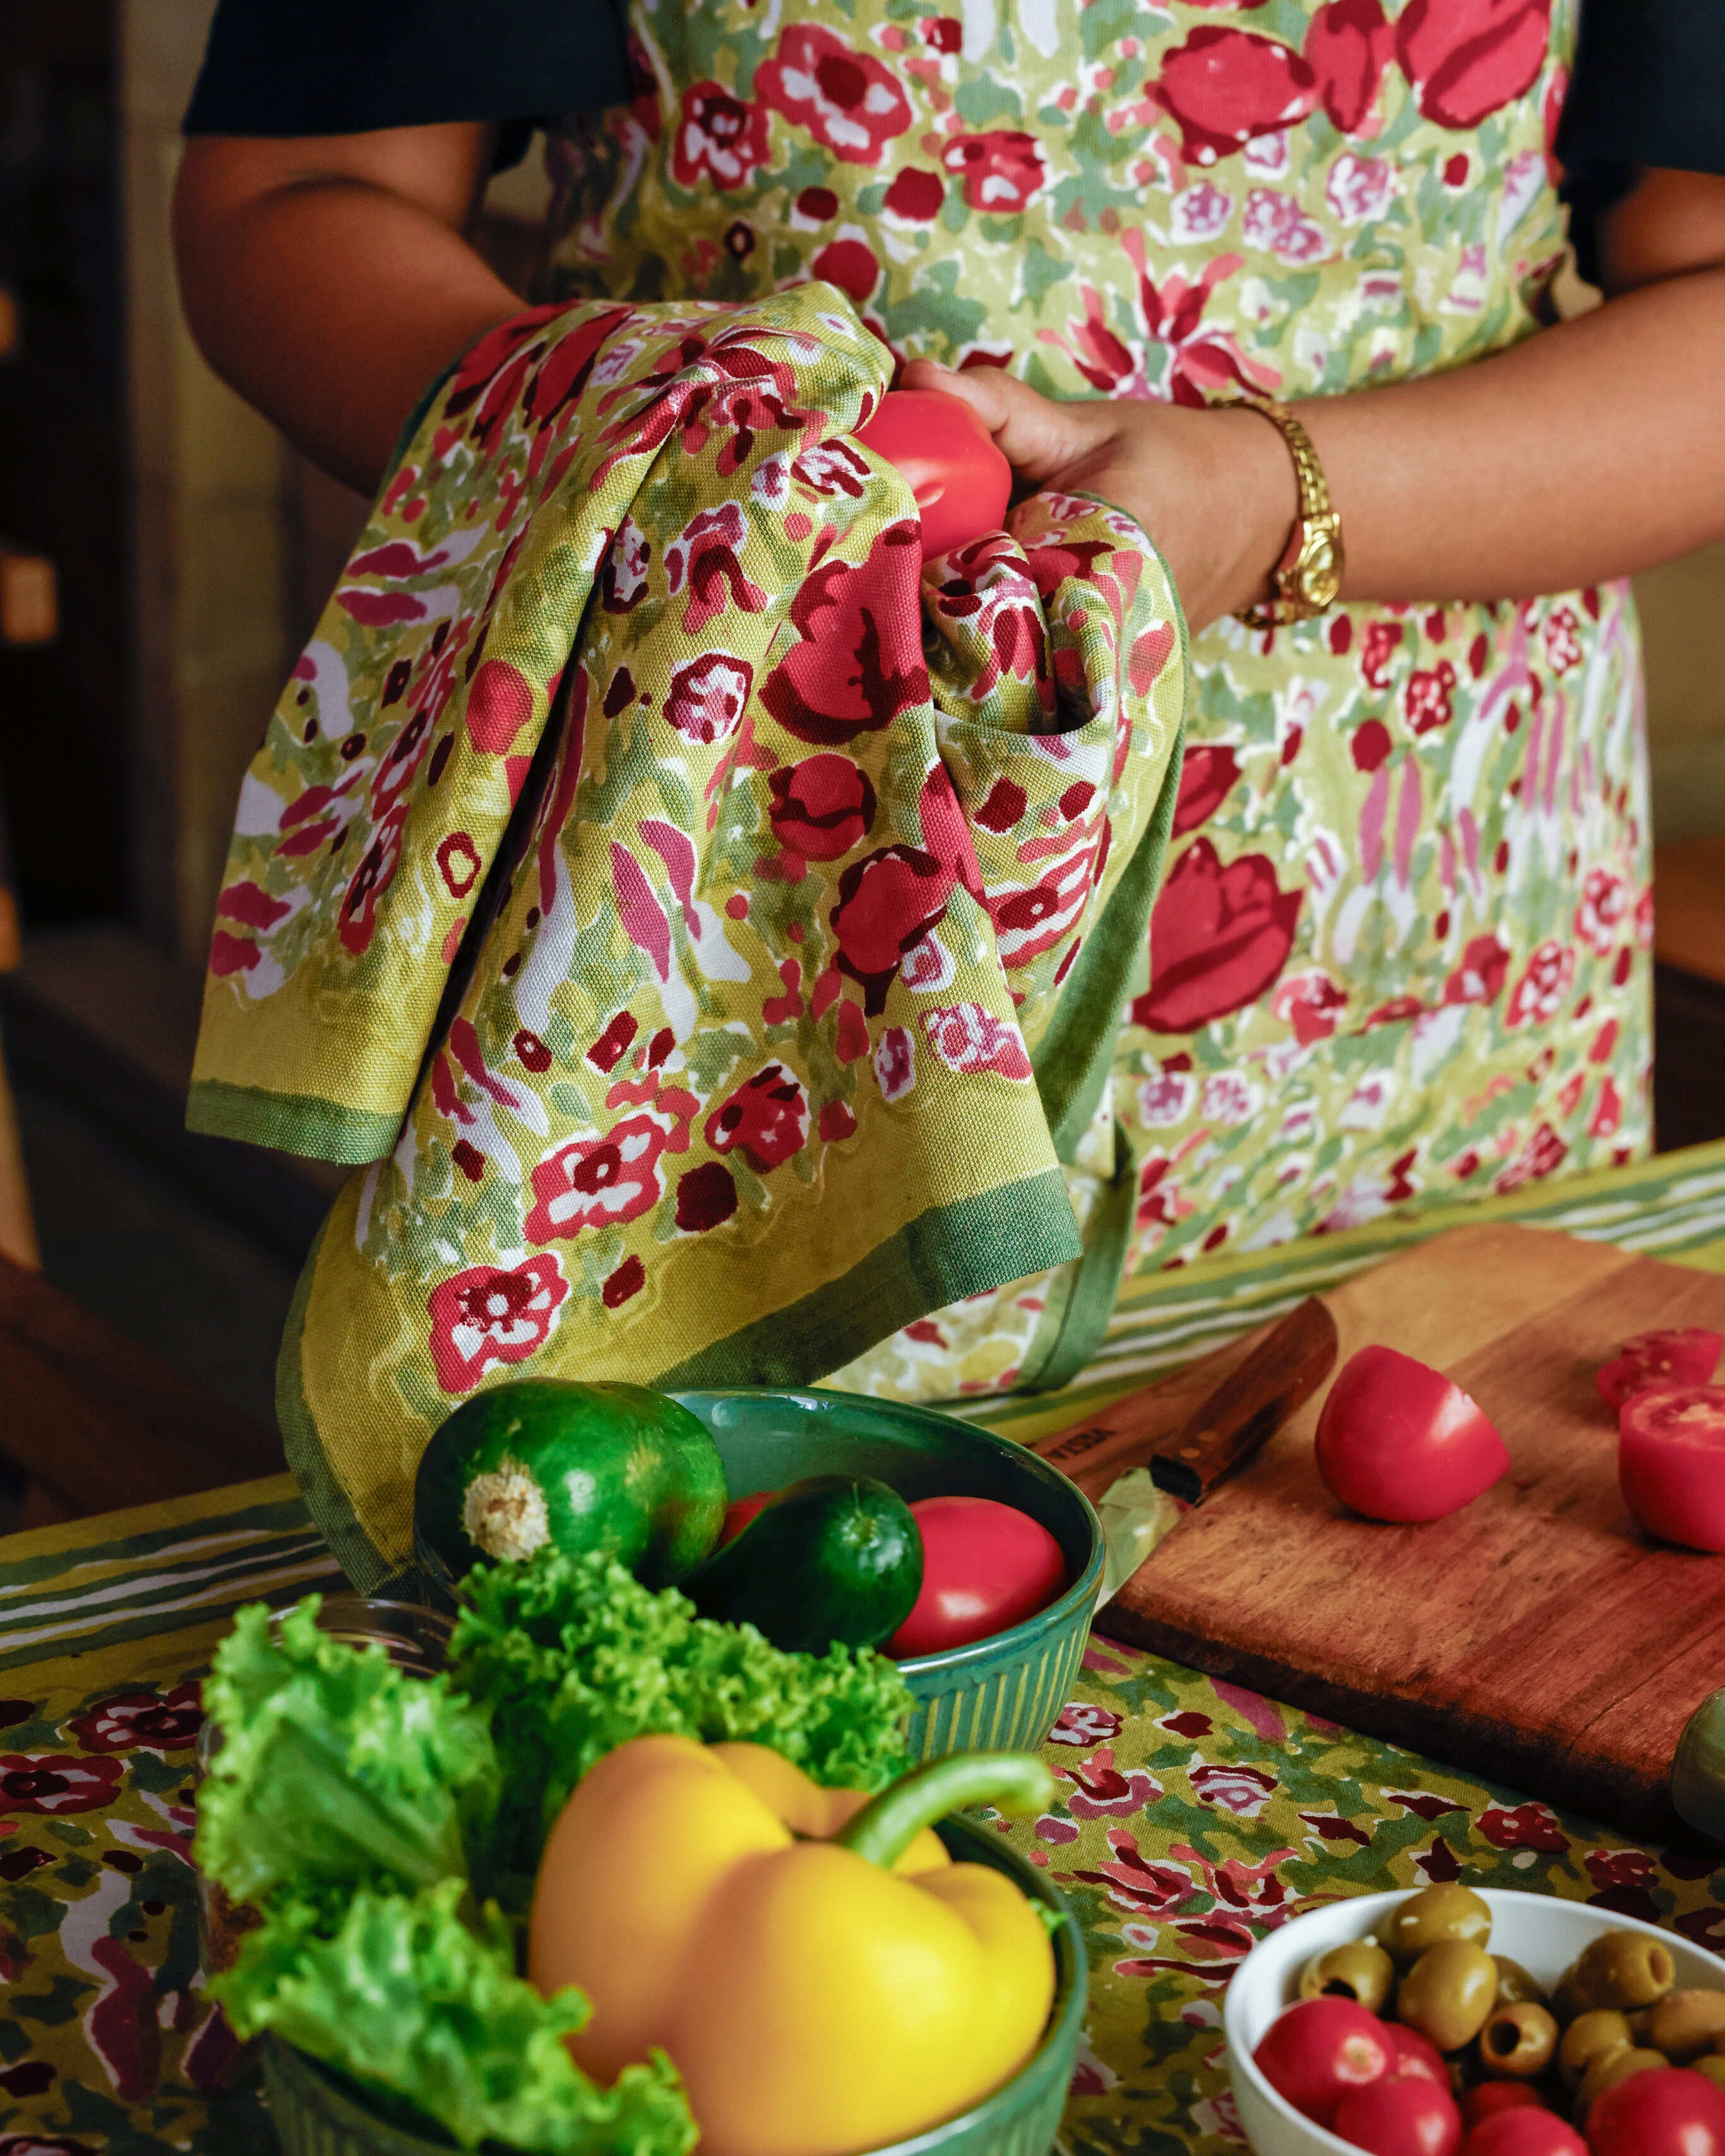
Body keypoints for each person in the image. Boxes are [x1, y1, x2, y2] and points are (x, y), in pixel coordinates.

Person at [173, 0, 1725, 1405]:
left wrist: (1271, 495)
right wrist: (686, 465)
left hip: (1422, 956)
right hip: (732, 921)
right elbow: (295, 198)